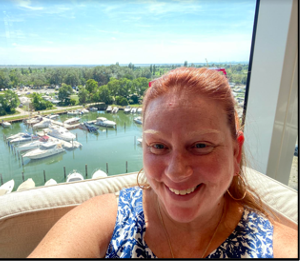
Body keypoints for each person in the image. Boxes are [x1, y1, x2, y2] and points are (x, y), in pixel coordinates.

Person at [28, 67, 297, 258]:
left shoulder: (275, 246)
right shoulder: (108, 220)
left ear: (236, 154)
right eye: (158, 146)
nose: (176, 170)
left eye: (200, 146)